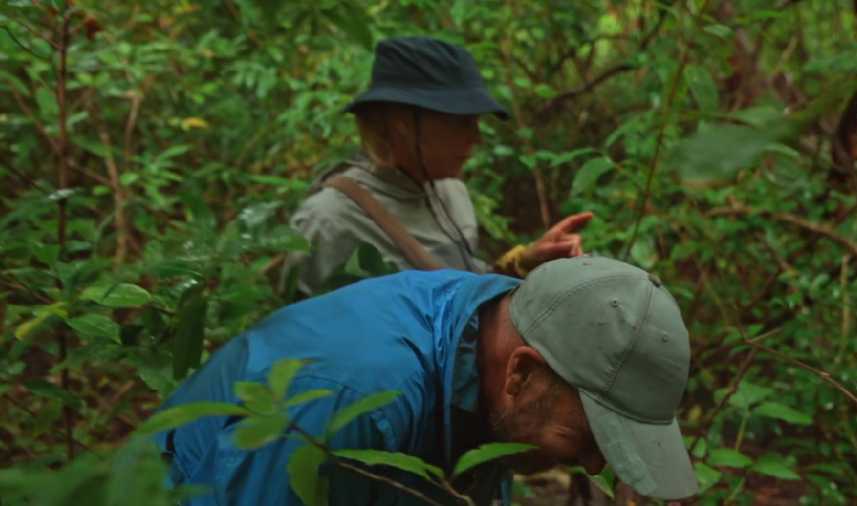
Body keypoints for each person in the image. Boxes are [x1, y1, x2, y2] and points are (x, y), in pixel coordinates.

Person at [154, 256, 699, 505]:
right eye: (588, 437)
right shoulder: (352, 402)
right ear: (522, 371)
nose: (596, 465)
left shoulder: (497, 322)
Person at [280, 36, 593, 296]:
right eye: (461, 122)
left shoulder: (451, 193)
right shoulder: (327, 222)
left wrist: (523, 261)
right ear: (403, 124)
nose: (476, 138)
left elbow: (463, 287)